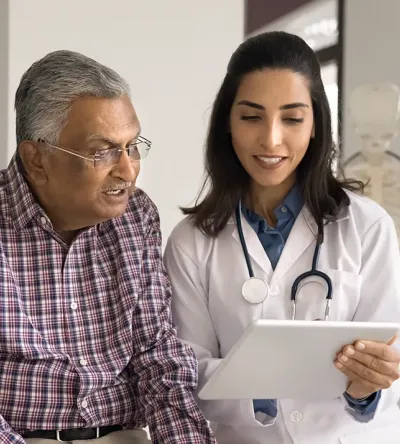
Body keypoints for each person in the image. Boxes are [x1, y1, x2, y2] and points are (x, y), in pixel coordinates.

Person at [163, 31, 400, 444]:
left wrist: (366, 387)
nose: (271, 139)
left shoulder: (366, 226)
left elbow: (387, 363)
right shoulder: (191, 242)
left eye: (292, 118)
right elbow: (187, 374)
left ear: (315, 125)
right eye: (251, 116)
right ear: (227, 124)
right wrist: (271, 384)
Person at [0, 50, 215, 444]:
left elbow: (158, 356)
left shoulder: (136, 215)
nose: (129, 169)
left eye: (133, 146)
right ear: (36, 160)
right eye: (103, 151)